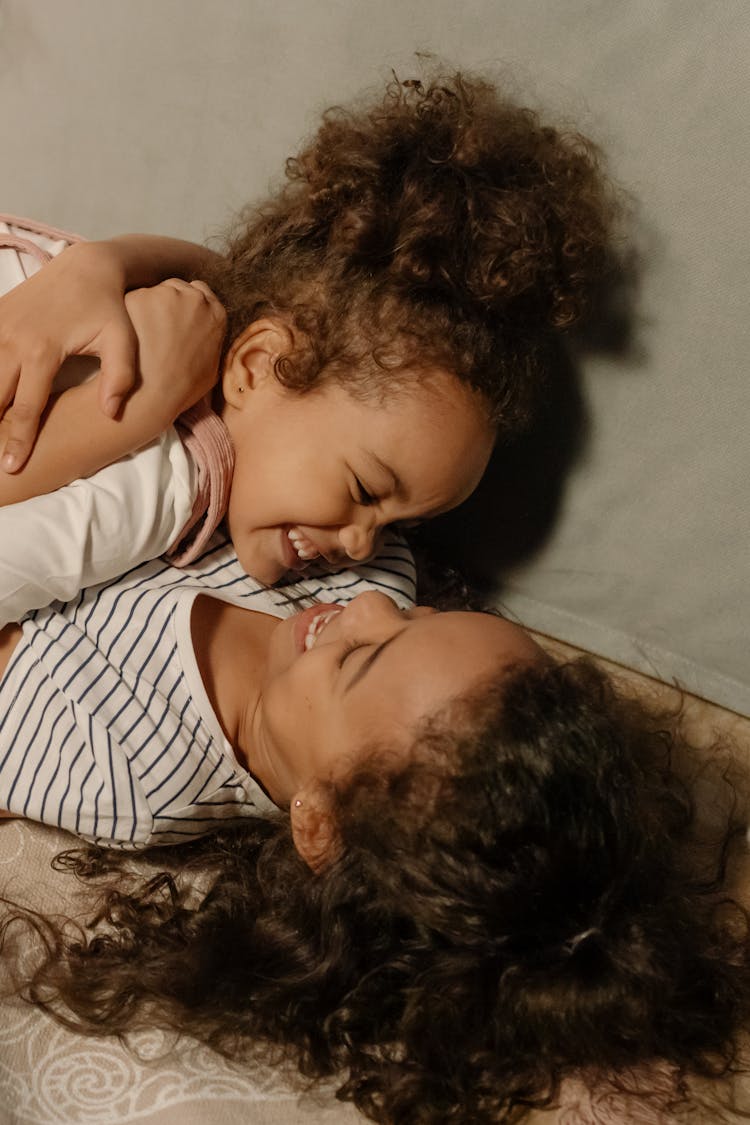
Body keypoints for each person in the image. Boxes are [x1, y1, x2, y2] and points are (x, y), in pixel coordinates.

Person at [3, 582, 748, 1125]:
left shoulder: (122, 775)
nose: (370, 602)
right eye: (423, 613)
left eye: (359, 657)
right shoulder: (350, 560)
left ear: (319, 824)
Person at [0, 70, 619, 619]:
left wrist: (135, 393)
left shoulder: (183, 409)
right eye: (364, 491)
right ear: (256, 364)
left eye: (395, 528)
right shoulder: (165, 482)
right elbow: (218, 269)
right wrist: (101, 265)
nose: (360, 548)